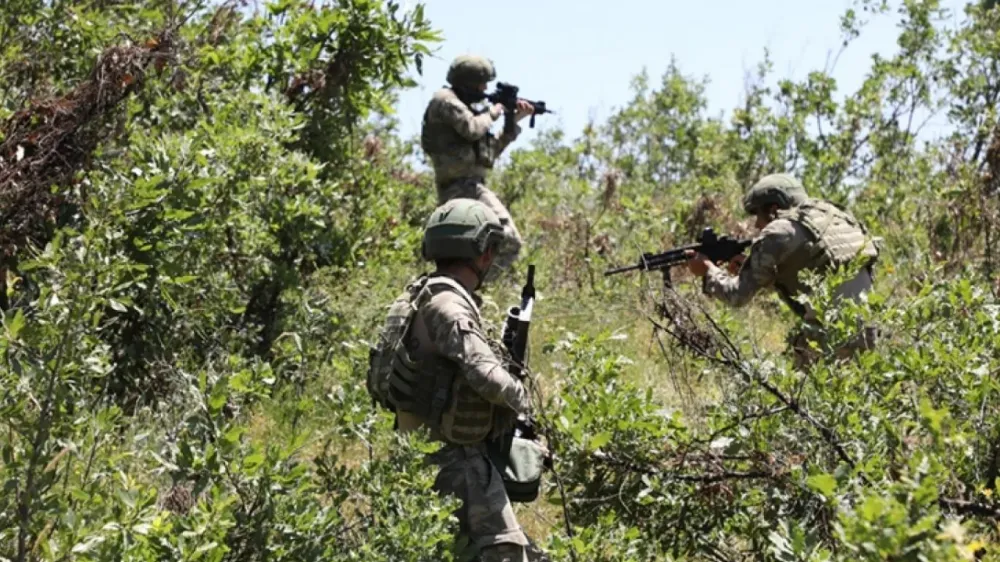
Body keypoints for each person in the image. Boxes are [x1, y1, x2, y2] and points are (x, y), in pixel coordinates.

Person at [367, 198, 542, 562]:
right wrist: (524, 401)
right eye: (491, 249)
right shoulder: (449, 306)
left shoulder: (422, 295)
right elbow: (487, 376)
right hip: (456, 465)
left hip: (425, 458)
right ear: (481, 251)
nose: (492, 259)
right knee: (508, 555)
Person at [685, 173, 880, 366]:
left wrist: (707, 270)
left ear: (773, 208)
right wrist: (755, 267)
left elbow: (737, 296)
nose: (757, 224)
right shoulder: (834, 217)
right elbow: (817, 268)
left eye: (757, 215)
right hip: (868, 334)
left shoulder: (779, 230)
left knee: (799, 395)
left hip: (830, 339)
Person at [420, 54, 534, 280]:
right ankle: (472, 287)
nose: (484, 89)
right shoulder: (445, 100)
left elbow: (488, 156)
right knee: (508, 239)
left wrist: (514, 120)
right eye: (482, 84)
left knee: (471, 249)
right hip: (461, 187)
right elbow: (472, 128)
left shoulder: (469, 109)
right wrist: (495, 110)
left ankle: (466, 287)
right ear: (468, 82)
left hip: (470, 186)